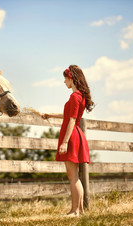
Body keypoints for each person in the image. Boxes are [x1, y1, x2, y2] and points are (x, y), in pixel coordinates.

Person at [41, 65, 94, 216]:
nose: (64, 82)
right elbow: (68, 114)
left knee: (73, 176)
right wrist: (50, 115)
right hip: (75, 135)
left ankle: (75, 210)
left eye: (65, 79)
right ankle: (80, 210)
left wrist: (64, 142)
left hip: (71, 136)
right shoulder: (80, 96)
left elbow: (71, 119)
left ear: (71, 78)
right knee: (75, 176)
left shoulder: (74, 96)